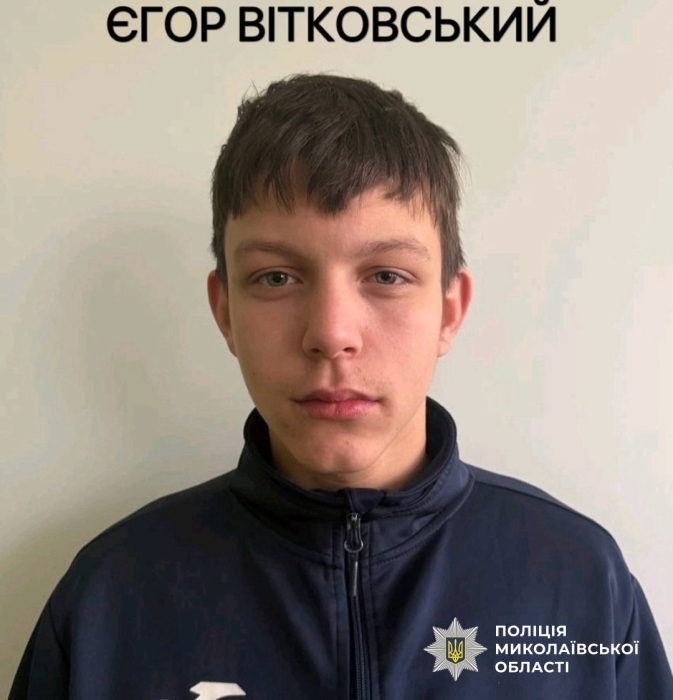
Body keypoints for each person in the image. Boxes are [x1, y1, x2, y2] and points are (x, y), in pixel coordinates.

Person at [9, 74, 672, 700]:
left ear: (448, 311)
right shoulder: (110, 596)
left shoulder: (580, 578)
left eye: (386, 276)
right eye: (276, 277)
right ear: (225, 311)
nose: (330, 334)